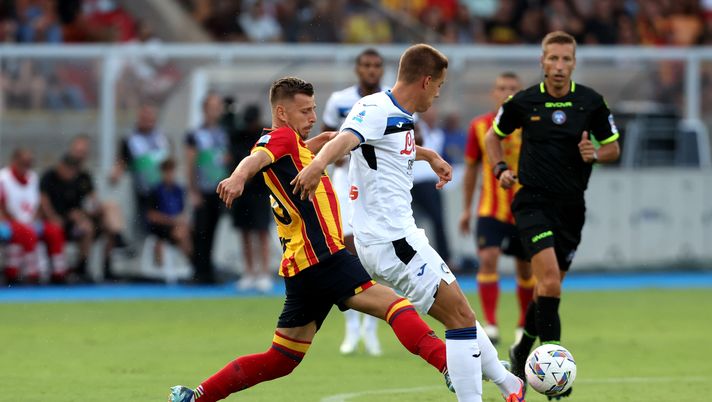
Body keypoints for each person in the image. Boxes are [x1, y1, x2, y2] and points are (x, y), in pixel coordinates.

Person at [168, 77, 452, 402]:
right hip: (323, 257)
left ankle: (195, 398)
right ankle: (450, 366)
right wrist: (237, 176)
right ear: (281, 112)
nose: (313, 117)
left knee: (281, 359)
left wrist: (427, 153)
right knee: (394, 305)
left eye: (314, 108)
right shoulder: (281, 138)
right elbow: (256, 157)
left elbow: (336, 138)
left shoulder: (298, 147)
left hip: (302, 268)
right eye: (305, 111)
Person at [293, 44, 525, 402]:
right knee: (460, 319)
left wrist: (428, 154)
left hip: (395, 238)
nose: (438, 93)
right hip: (393, 241)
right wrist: (316, 166)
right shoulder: (374, 108)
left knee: (461, 311)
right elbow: (345, 140)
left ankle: (511, 387)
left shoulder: (396, 114)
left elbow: (387, 146)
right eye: (439, 86)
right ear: (426, 80)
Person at [484, 31, 621, 399]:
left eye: (565, 59)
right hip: (532, 203)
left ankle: (521, 350)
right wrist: (500, 169)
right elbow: (492, 137)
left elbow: (613, 149)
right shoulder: (523, 101)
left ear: (574, 63)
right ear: (542, 62)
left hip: (572, 207)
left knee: (548, 291)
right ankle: (555, 379)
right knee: (550, 284)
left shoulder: (591, 103)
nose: (559, 66)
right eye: (552, 59)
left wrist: (596, 153)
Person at [458, 72, 534, 346]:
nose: (507, 93)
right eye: (502, 88)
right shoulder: (479, 127)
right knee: (488, 258)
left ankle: (523, 324)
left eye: (513, 89)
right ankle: (490, 323)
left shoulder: (532, 125)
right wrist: (466, 209)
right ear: (494, 93)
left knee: (525, 268)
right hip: (490, 208)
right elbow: (470, 170)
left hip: (524, 208)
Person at [321, 47, 385, 356]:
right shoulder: (339, 100)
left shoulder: (391, 100)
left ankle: (371, 328)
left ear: (382, 70)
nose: (371, 70)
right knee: (347, 248)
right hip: (345, 181)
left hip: (376, 183)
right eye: (366, 65)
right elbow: (326, 136)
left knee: (372, 249)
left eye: (376, 66)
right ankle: (351, 328)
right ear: (358, 69)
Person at [0, 148, 67, 284]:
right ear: (15, 161)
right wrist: (17, 222)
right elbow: (2, 207)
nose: (26, 166)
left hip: (30, 221)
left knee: (55, 231)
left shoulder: (33, 177)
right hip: (8, 221)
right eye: (23, 162)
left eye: (29, 163)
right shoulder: (3, 178)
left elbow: (38, 204)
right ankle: (29, 273)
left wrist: (36, 218)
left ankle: (59, 273)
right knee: (25, 232)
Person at [229, 103, 273, 292]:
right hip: (242, 190)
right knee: (245, 232)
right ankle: (248, 272)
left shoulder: (265, 136)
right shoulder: (236, 135)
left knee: (262, 232)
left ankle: (264, 272)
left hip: (260, 191)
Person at [185, 93, 229, 284]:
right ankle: (199, 270)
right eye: (212, 106)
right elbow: (191, 163)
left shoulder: (223, 132)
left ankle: (208, 269)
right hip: (202, 189)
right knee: (200, 230)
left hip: (218, 189)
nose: (216, 110)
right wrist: (193, 190)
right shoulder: (195, 134)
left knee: (213, 230)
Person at [109, 103, 170, 231]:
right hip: (142, 191)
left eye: (150, 119)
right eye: (144, 118)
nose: (148, 122)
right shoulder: (130, 139)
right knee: (143, 225)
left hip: (163, 191)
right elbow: (122, 160)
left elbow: (169, 162)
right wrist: (116, 172)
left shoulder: (163, 138)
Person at [39, 154, 97, 281]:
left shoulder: (77, 181)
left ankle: (81, 267)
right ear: (62, 167)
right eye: (69, 170)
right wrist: (52, 217)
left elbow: (90, 203)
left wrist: (81, 214)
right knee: (55, 230)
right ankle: (57, 271)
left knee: (87, 228)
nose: (71, 174)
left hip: (71, 224)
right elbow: (44, 201)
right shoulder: (49, 178)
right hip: (52, 221)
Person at [147, 158, 192, 263]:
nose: (169, 174)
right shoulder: (155, 191)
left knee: (188, 231)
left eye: (171, 171)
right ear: (162, 172)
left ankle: (190, 262)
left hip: (176, 226)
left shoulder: (179, 190)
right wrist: (171, 220)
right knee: (182, 233)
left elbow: (182, 211)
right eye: (166, 171)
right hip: (160, 227)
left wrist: (180, 220)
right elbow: (151, 215)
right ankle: (191, 262)